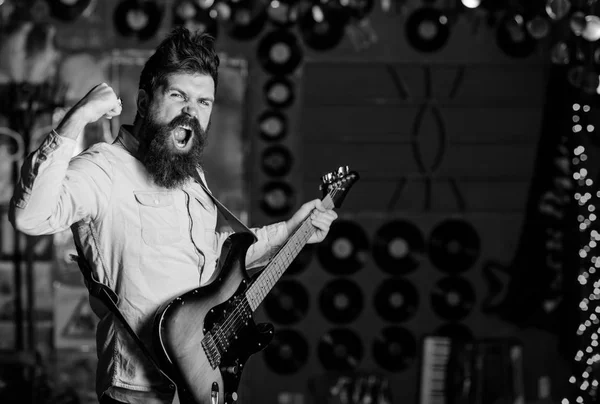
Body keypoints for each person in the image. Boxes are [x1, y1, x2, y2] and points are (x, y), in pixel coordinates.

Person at [9, 27, 338, 404]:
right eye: (178, 96)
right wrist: (77, 117)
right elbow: (30, 217)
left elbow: (222, 263)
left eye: (204, 102)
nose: (191, 112)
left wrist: (294, 230)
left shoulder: (191, 177)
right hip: (139, 392)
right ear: (145, 100)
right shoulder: (104, 169)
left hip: (199, 384)